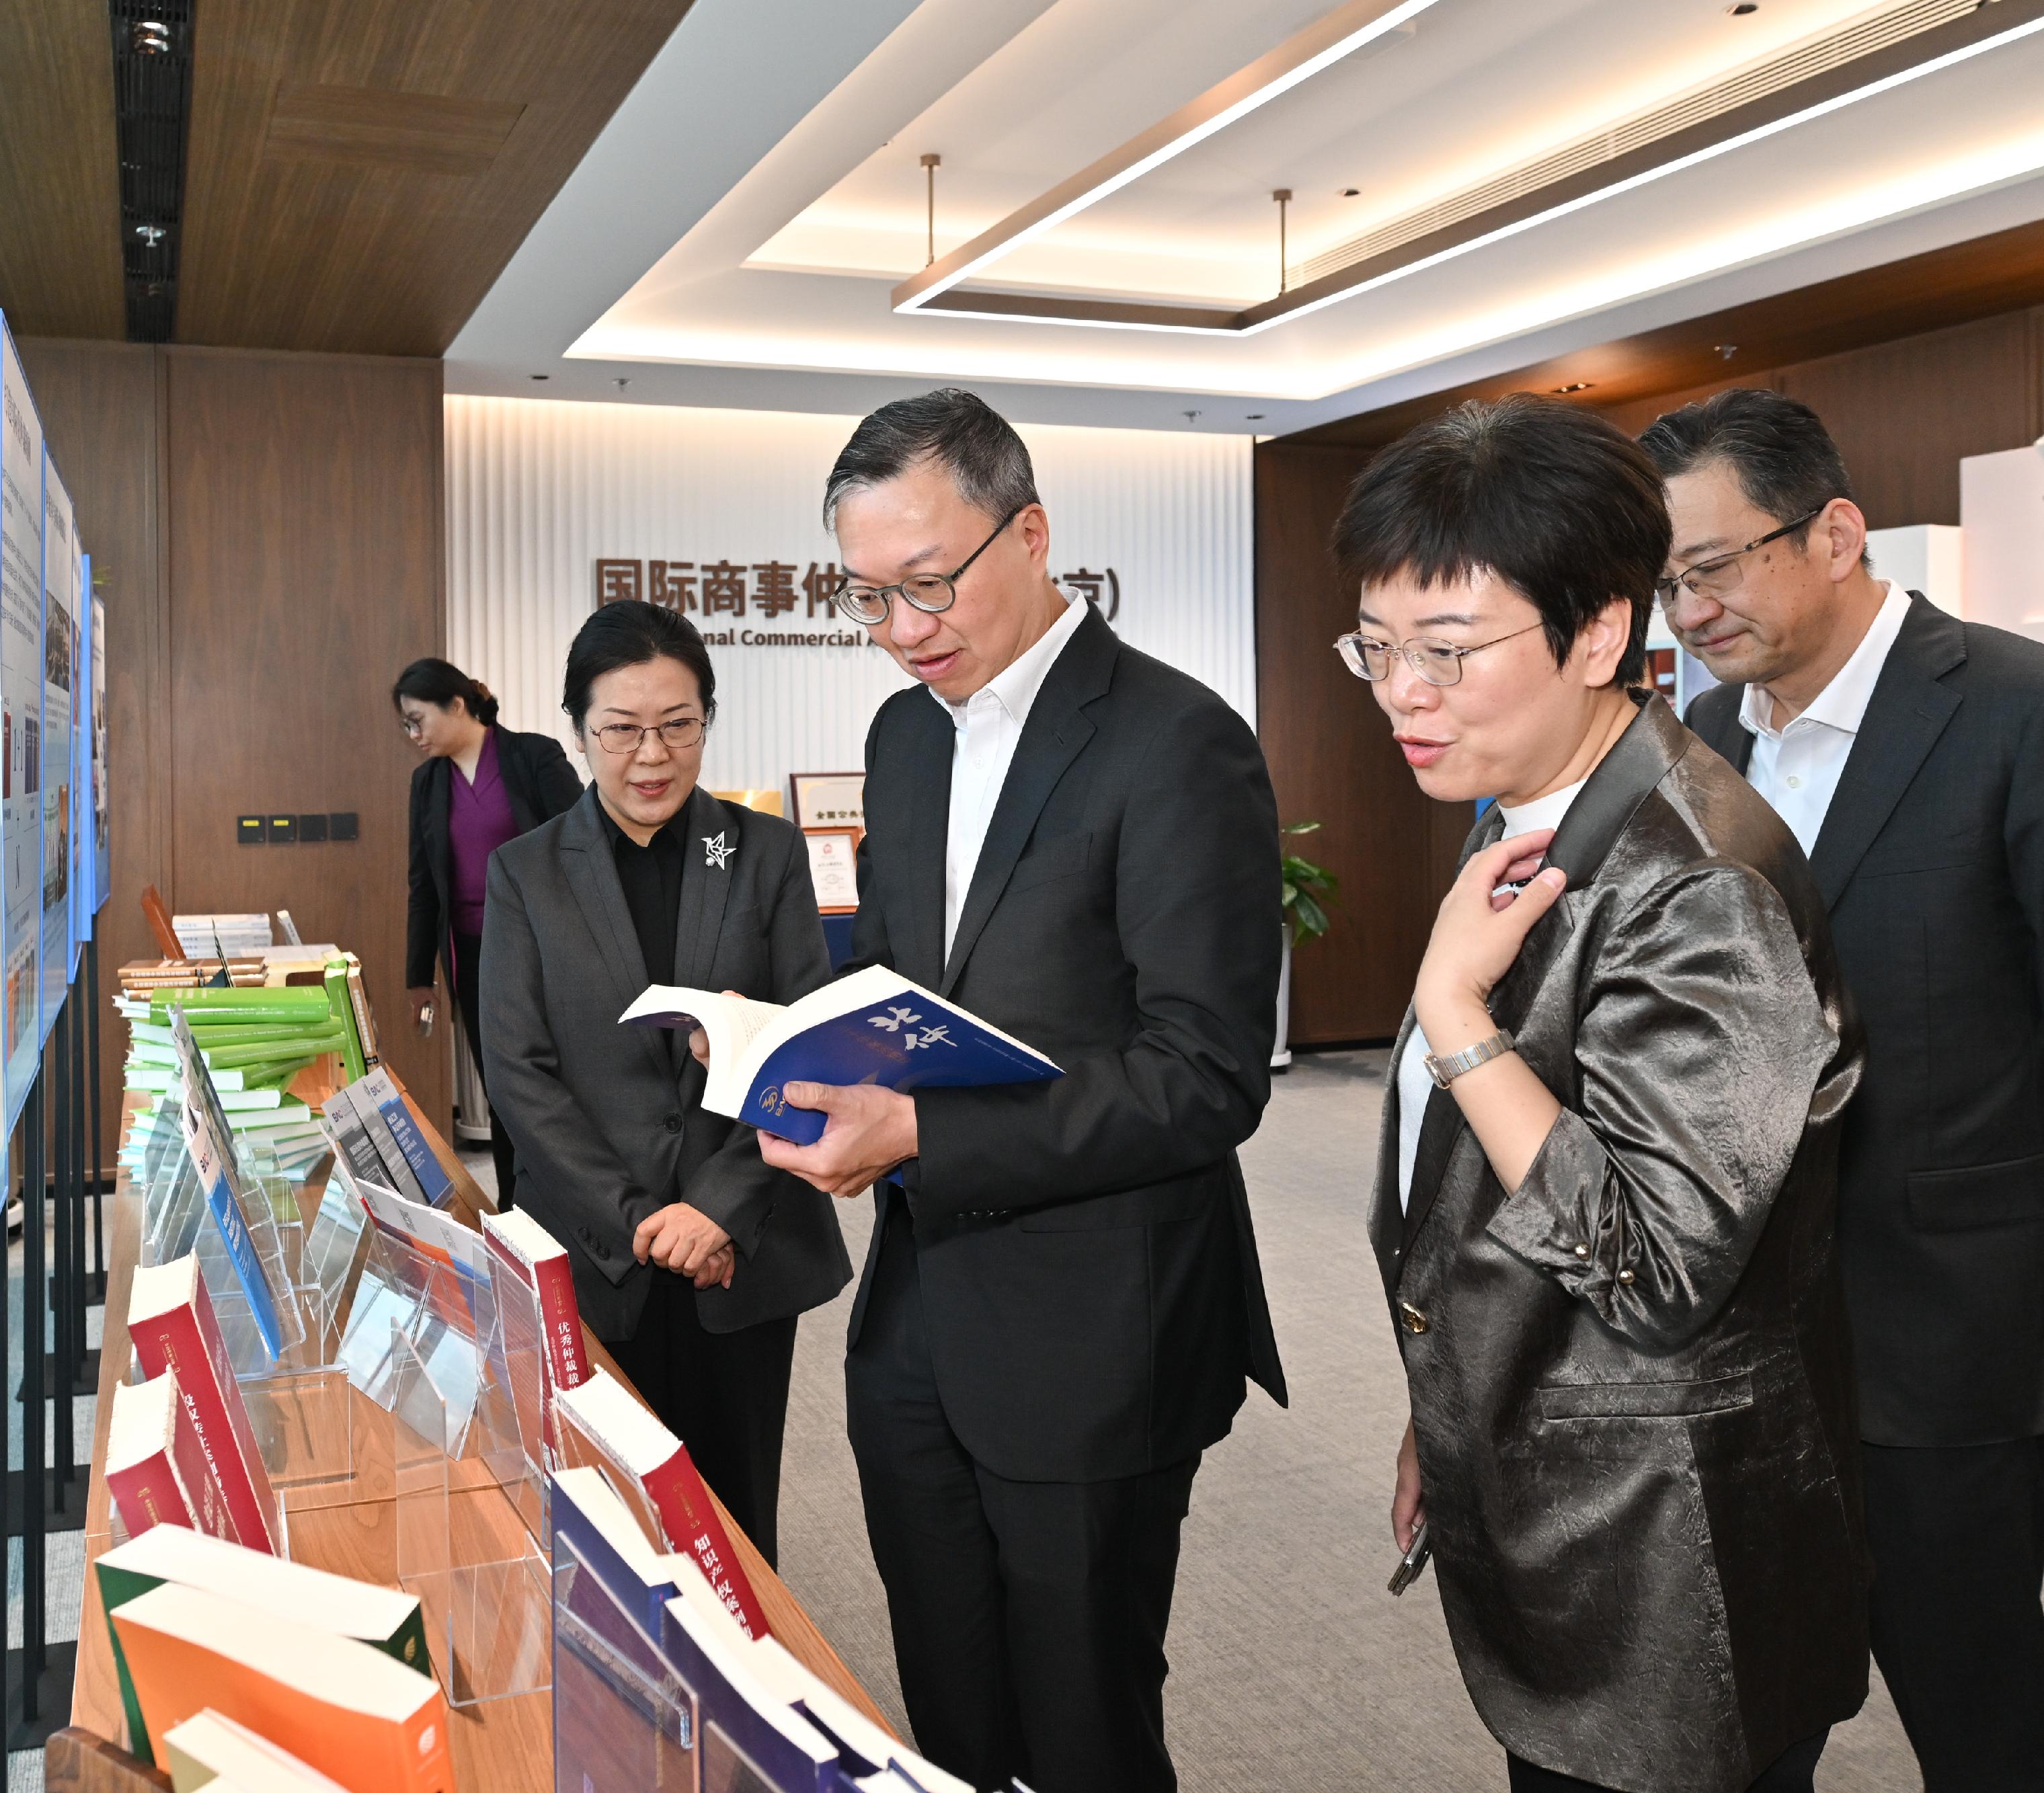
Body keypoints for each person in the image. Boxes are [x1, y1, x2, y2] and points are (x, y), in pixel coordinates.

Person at [1334, 394, 1869, 1793]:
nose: (1400, 692)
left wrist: (1457, 1020)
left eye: (1445, 652)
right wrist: (1443, 1399)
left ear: (1594, 632)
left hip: (1663, 1560)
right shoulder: (1536, 809)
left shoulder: (1695, 877)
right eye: (1377, 648)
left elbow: (1646, 1265)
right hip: (1554, 1483)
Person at [753, 388, 1284, 1793]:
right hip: (919, 1314)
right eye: (867, 598)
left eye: (928, 583)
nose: (903, 627)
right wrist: (803, 1054)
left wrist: (925, 1126)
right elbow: (921, 988)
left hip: (1100, 1325)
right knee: (952, 1706)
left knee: (1084, 1719)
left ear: (1031, 532)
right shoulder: (900, 738)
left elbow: (1207, 1071)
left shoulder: (1174, 740)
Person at [1641, 388, 2044, 1792]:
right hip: (1742, 1356)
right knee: (1744, 1732)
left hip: (1952, 1354)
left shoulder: (2012, 709)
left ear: (1832, 532)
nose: (1684, 610)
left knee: (1984, 1718)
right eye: (1664, 579)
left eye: (1709, 566)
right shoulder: (1700, 744)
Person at [477, 602, 849, 1560]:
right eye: (622, 728)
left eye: (678, 724)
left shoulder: (762, 852)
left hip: (745, 1240)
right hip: (602, 1253)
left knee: (735, 1522)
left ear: (706, 721)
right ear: (579, 729)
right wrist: (642, 1216)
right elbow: (520, 1072)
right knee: (609, 1522)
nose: (652, 754)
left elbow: (806, 1039)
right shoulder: (527, 871)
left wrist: (716, 1210)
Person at [395, 658, 581, 1197]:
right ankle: (515, 1203)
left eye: (417, 719)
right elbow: (423, 886)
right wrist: (417, 977)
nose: (413, 735)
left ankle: (570, 1199)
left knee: (557, 1080)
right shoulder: (427, 783)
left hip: (545, 948)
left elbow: (581, 845)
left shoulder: (532, 756)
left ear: (456, 705)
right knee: (502, 1085)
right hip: (474, 956)